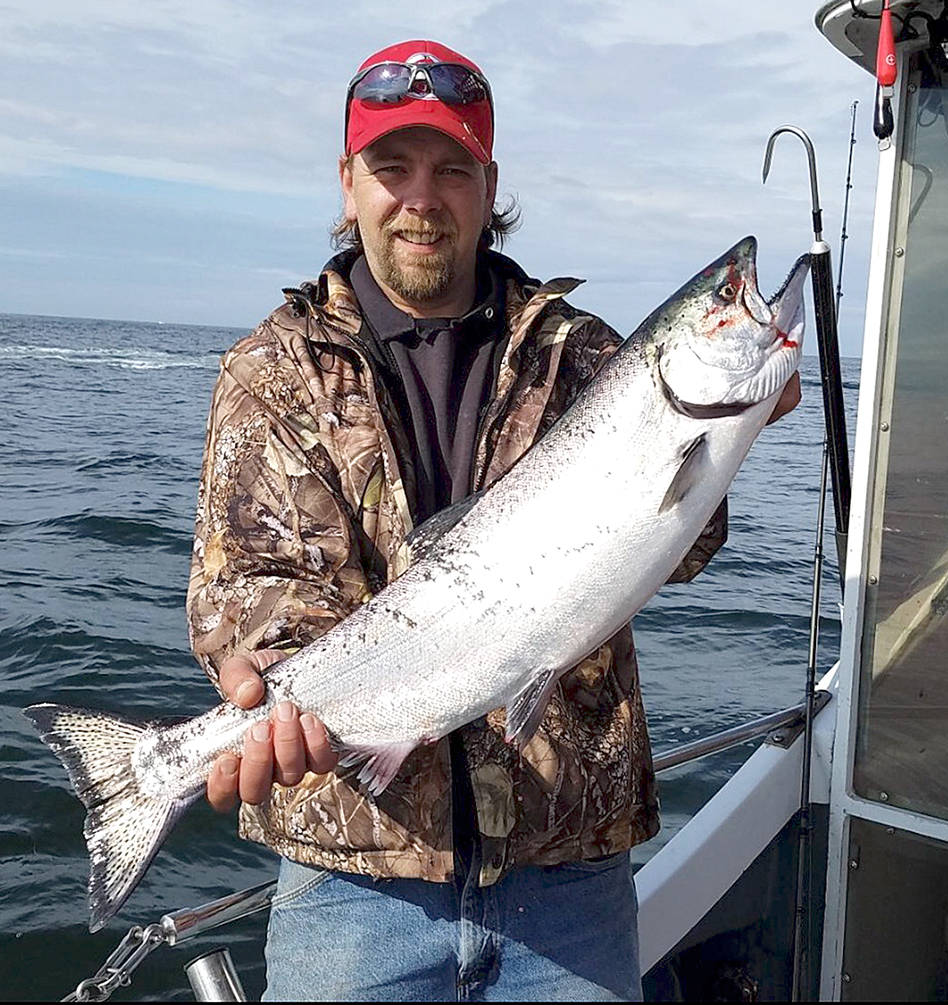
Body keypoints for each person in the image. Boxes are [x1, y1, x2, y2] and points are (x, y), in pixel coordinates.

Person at [186, 39, 799, 1002]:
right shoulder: (273, 372)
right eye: (392, 168)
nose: (420, 198)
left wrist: (734, 434)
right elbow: (248, 585)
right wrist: (270, 688)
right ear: (349, 184)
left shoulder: (582, 354)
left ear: (489, 186)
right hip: (354, 882)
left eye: (452, 170)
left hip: (569, 873)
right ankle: (166, 766)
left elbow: (679, 548)